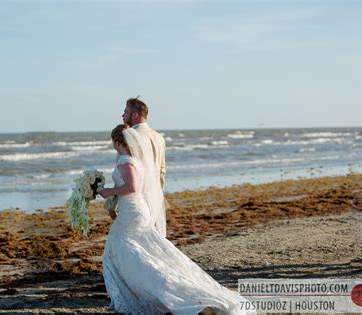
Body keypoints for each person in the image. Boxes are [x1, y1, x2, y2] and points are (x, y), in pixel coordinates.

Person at [99, 124, 255, 315]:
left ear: (116, 142)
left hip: (132, 211)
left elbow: (132, 187)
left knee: (125, 249)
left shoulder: (124, 161)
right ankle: (138, 287)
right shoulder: (135, 160)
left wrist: (108, 192)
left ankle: (152, 287)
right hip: (134, 210)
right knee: (139, 250)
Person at [106, 97, 168, 237]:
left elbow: (122, 174)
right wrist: (157, 198)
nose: (122, 115)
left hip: (135, 200)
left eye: (125, 112)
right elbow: (162, 171)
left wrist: (111, 204)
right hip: (154, 198)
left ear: (135, 115)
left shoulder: (129, 137)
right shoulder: (159, 137)